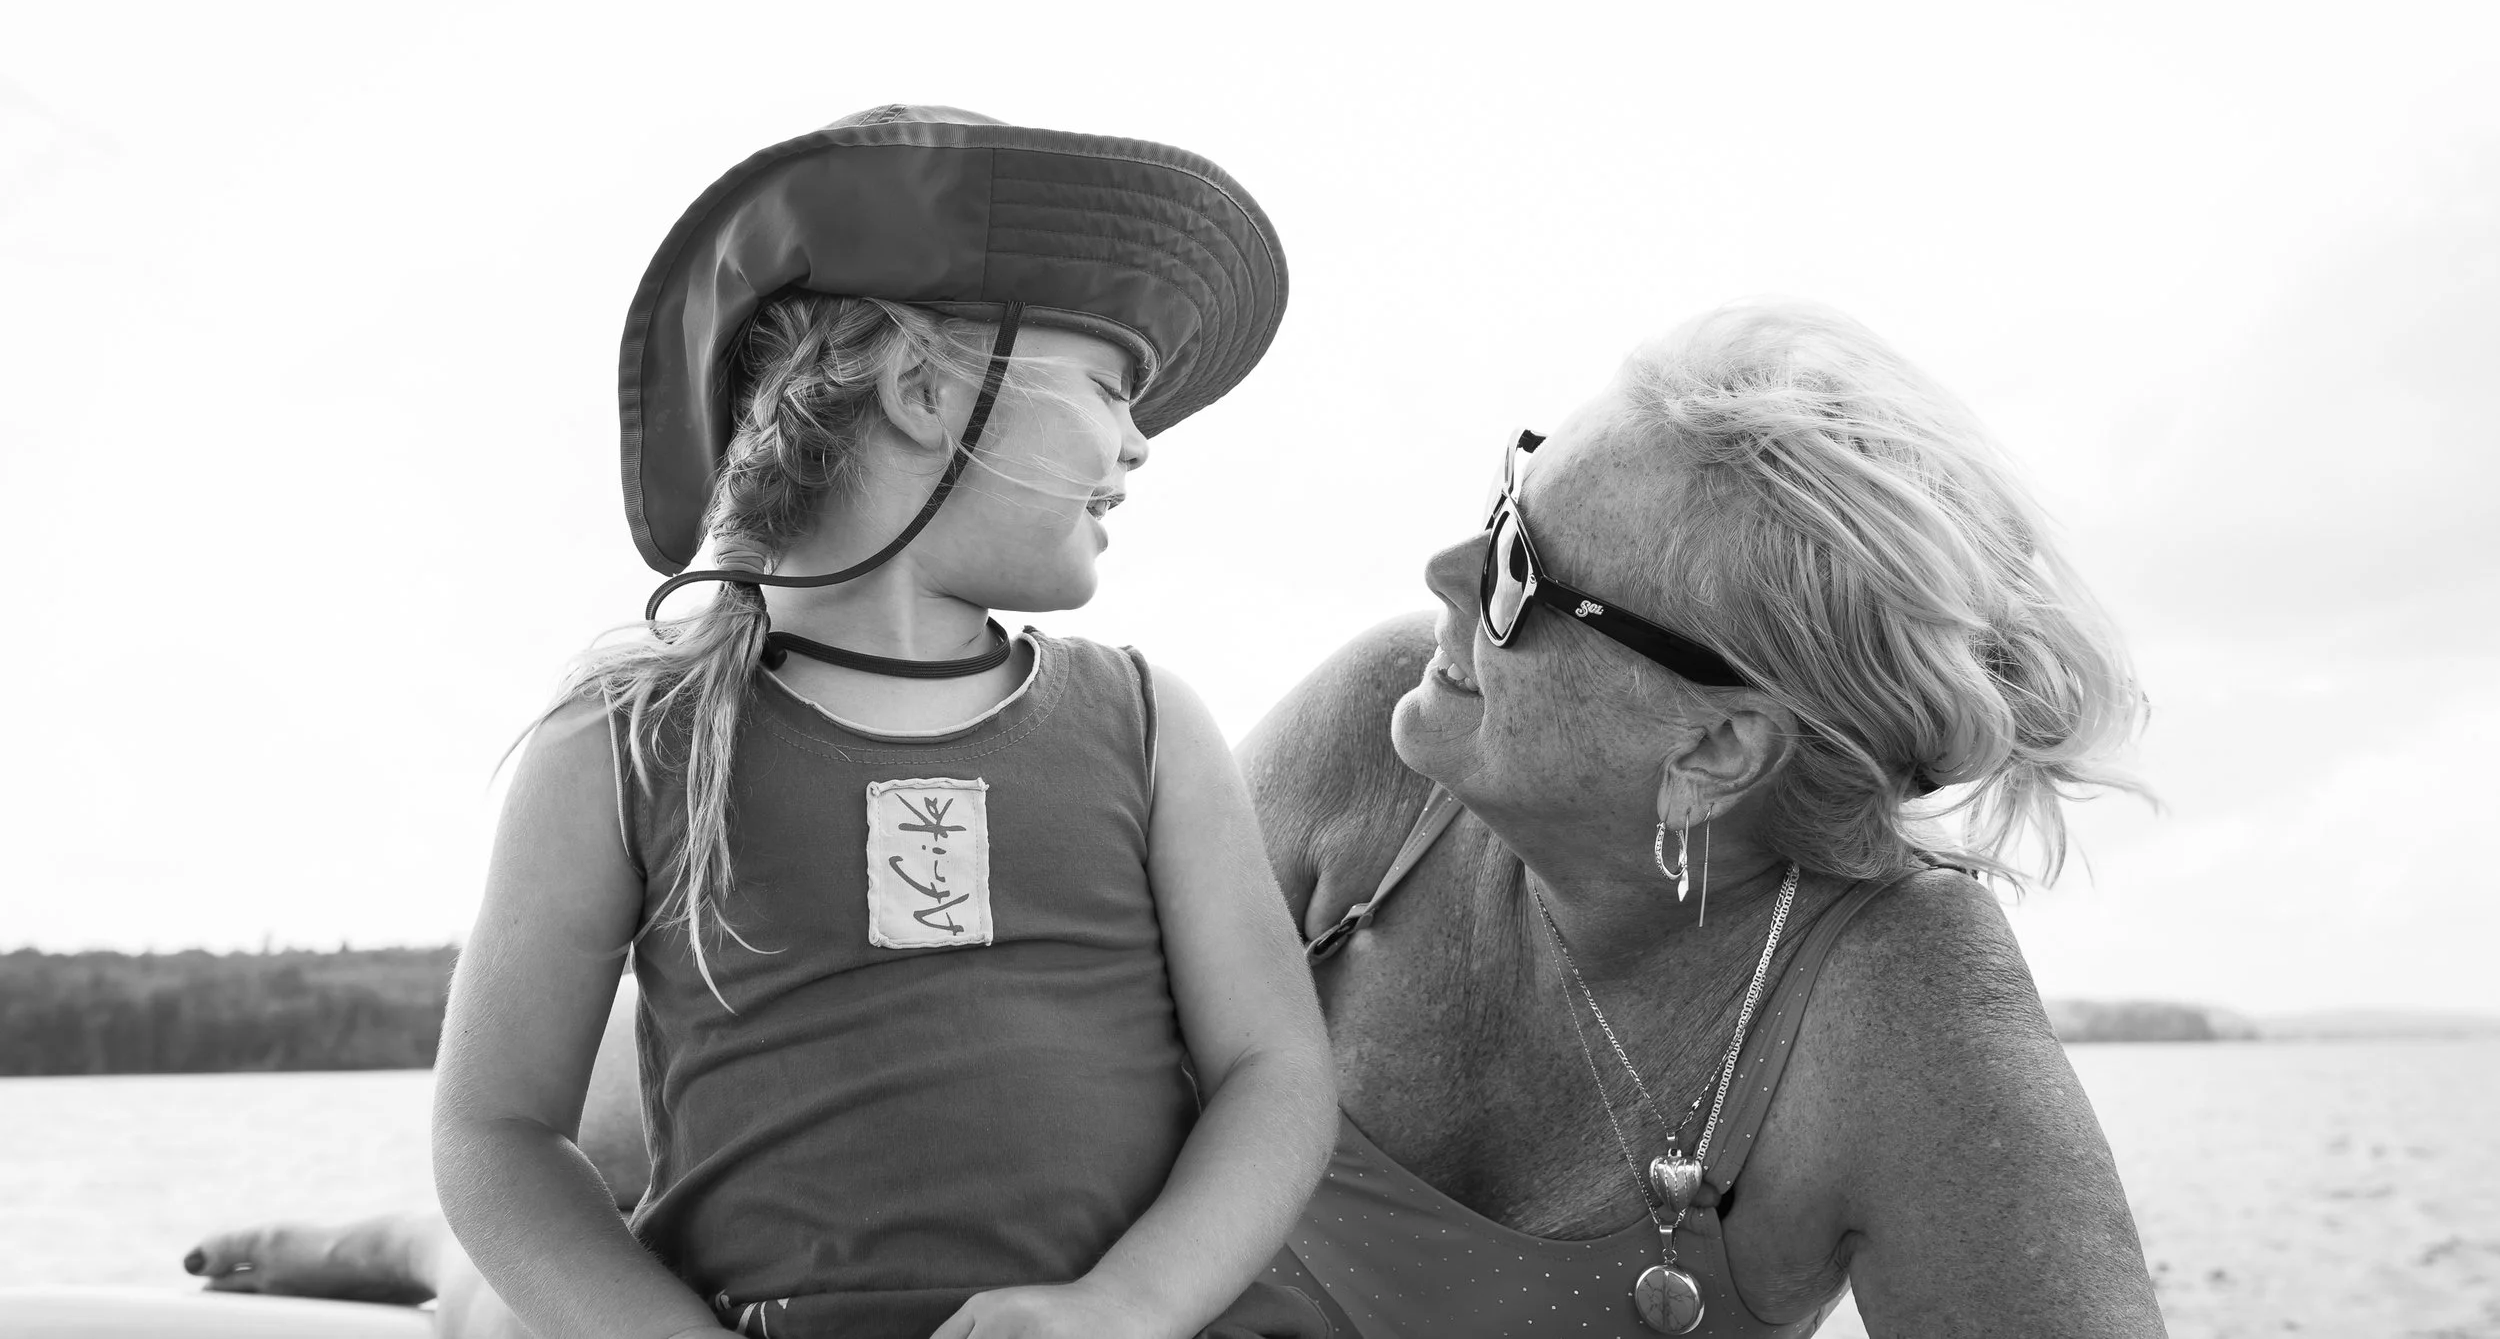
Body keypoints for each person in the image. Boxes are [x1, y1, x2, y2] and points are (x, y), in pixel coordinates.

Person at [193, 301, 2166, 1337]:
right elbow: (873, 1046)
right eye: (1506, 490)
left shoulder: (1906, 1029)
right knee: (501, 1272)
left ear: (1717, 751)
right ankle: (388, 1241)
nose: (1436, 563)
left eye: (1515, 573)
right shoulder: (1370, 751)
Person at [398, 106, 1335, 1339]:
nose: (1140, 443)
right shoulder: (627, 738)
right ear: (924, 388)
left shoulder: (1148, 723)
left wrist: (1128, 1307)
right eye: (1110, 387)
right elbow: (496, 1133)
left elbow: (1275, 1075)